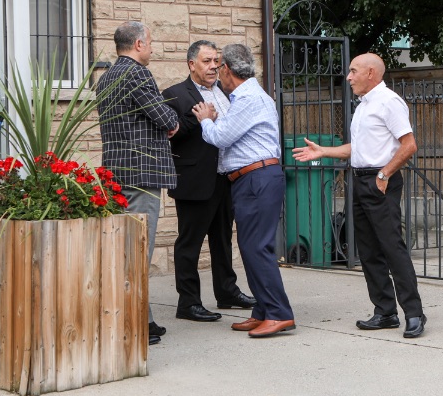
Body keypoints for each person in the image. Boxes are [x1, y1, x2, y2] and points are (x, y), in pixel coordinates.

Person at [292, 53, 427, 338]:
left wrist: (384, 174)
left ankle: (414, 314)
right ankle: (385, 312)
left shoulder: (389, 102)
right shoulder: (364, 105)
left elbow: (409, 145)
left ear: (370, 73)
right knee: (367, 250)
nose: (349, 77)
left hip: (381, 181)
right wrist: (323, 151)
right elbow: (359, 148)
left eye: (354, 71)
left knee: (392, 247)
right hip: (360, 180)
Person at [191, 43, 295, 338]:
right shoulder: (247, 96)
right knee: (251, 248)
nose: (216, 72)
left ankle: (278, 313)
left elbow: (221, 137)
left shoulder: (248, 98)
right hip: (253, 178)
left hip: (256, 178)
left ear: (227, 69)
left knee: (257, 248)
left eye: (218, 66)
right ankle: (263, 310)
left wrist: (206, 119)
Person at [96, 21, 180, 347]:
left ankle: (143, 318)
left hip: (116, 174)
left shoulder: (106, 77)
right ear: (139, 44)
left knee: (125, 249)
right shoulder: (137, 74)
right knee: (138, 251)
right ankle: (135, 324)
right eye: (151, 42)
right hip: (141, 177)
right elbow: (166, 119)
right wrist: (172, 122)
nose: (152, 48)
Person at [162, 40, 256, 323]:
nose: (214, 66)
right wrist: (201, 119)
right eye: (207, 61)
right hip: (194, 180)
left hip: (226, 178)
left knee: (223, 239)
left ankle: (227, 291)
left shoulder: (227, 92)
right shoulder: (174, 94)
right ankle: (188, 302)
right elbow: (171, 133)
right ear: (192, 64)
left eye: (216, 61)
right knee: (189, 243)